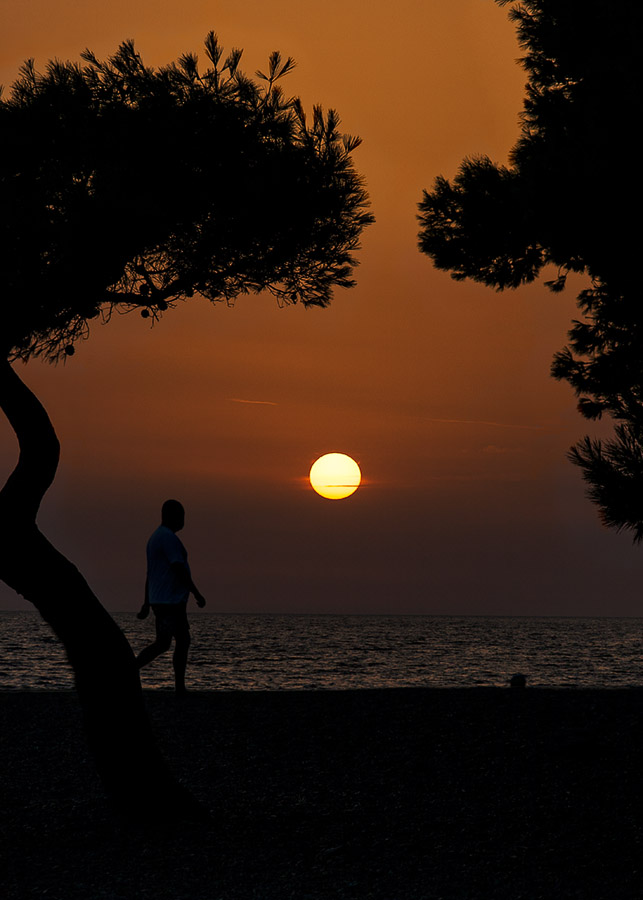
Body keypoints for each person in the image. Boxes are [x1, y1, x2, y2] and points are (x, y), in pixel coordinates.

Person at [136, 499, 205, 694]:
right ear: (171, 516)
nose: (183, 520)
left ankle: (130, 672)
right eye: (181, 515)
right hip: (170, 602)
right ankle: (180, 688)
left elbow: (151, 574)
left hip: (161, 600)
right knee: (182, 640)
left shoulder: (155, 538)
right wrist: (196, 592)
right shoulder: (167, 538)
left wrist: (146, 603)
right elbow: (178, 568)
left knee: (163, 643)